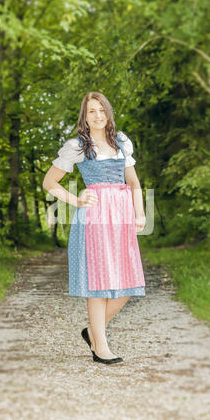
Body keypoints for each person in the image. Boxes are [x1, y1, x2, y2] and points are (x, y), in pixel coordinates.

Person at [43, 92, 146, 365]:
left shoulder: (121, 142)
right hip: (95, 218)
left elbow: (134, 183)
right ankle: (101, 347)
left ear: (108, 113)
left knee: (128, 283)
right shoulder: (78, 146)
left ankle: (91, 331)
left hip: (122, 218)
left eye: (101, 110)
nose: (97, 115)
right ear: (84, 117)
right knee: (98, 284)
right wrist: (76, 199)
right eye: (91, 111)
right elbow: (50, 182)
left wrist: (141, 214)